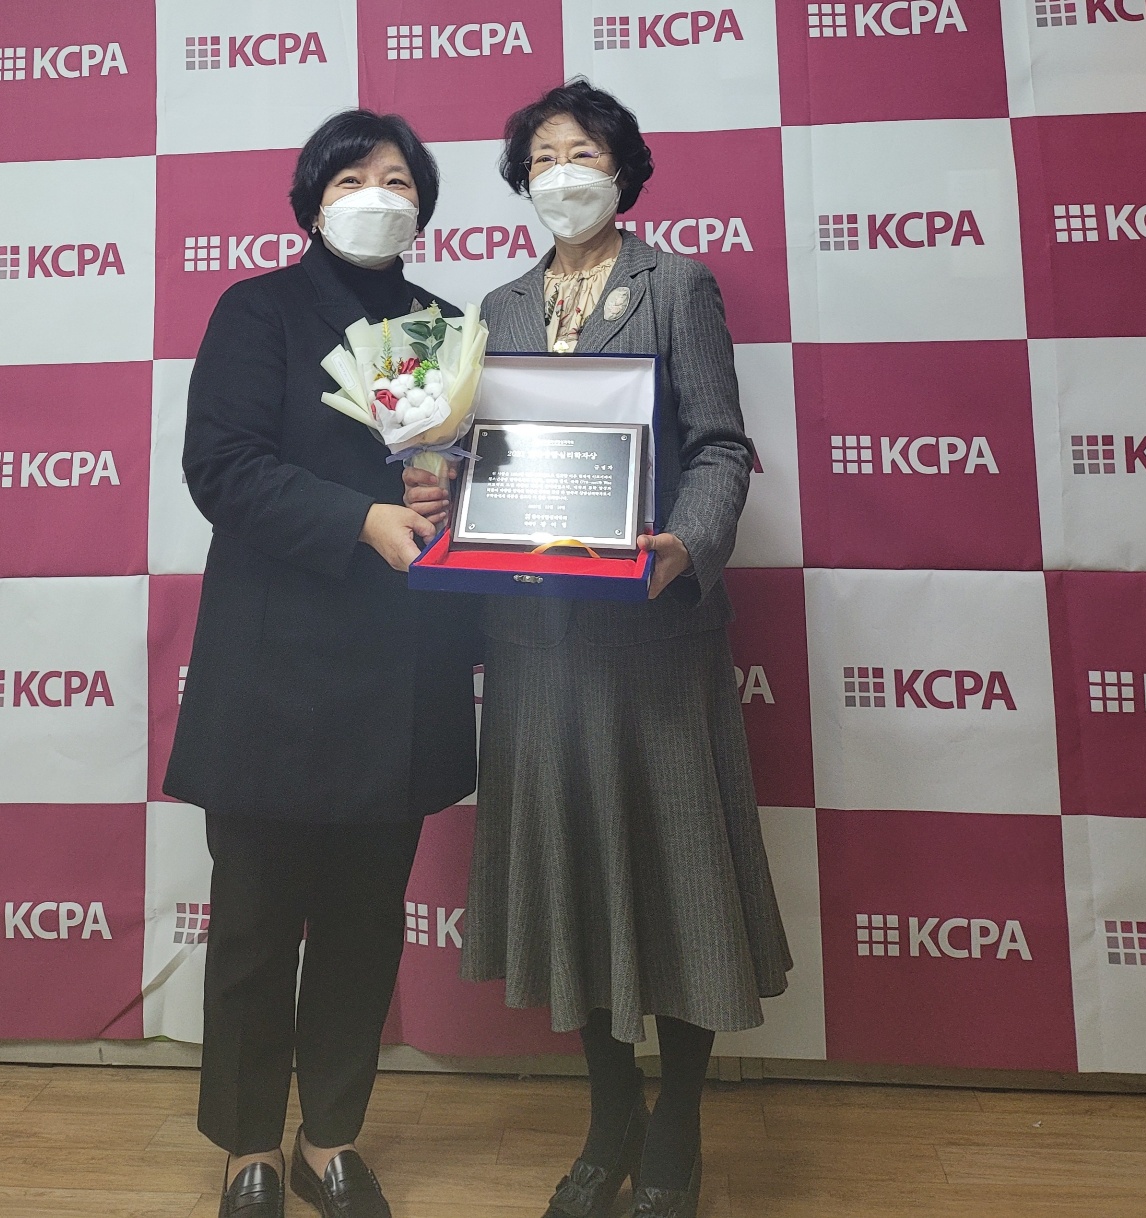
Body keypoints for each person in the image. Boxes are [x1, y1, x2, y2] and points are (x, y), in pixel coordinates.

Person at [404, 81, 791, 1218]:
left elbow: (719, 447)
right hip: (537, 641)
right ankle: (610, 1115)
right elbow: (486, 462)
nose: (562, 173)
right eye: (542, 158)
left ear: (622, 170)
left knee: (678, 879)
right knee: (578, 879)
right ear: (521, 182)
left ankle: (679, 1122)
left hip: (656, 633)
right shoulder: (496, 306)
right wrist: (440, 487)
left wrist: (690, 543)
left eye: (583, 153)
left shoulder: (678, 285)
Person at [166, 110, 480, 1218]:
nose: (377, 195)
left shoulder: (446, 327)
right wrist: (359, 519)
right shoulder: (256, 310)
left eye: (398, 179)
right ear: (311, 201)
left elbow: (468, 479)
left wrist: (451, 488)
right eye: (352, 178)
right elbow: (222, 467)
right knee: (255, 923)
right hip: (275, 667)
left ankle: (330, 1137)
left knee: (363, 924)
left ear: (422, 206)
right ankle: (250, 1144)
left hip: (401, 667)